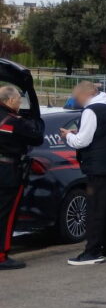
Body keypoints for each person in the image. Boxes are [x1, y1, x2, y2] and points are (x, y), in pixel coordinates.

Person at [59, 81, 106, 266]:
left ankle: (92, 252)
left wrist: (69, 136)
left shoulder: (91, 110)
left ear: (85, 94)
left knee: (96, 209)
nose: (77, 101)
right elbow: (102, 133)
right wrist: (79, 132)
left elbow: (82, 141)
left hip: (99, 168)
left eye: (77, 97)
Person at [0, 86, 44, 270]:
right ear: (10, 101)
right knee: (5, 215)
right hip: (8, 171)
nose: (20, 103)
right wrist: (36, 118)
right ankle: (2, 255)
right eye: (19, 99)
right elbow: (37, 137)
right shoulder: (14, 121)